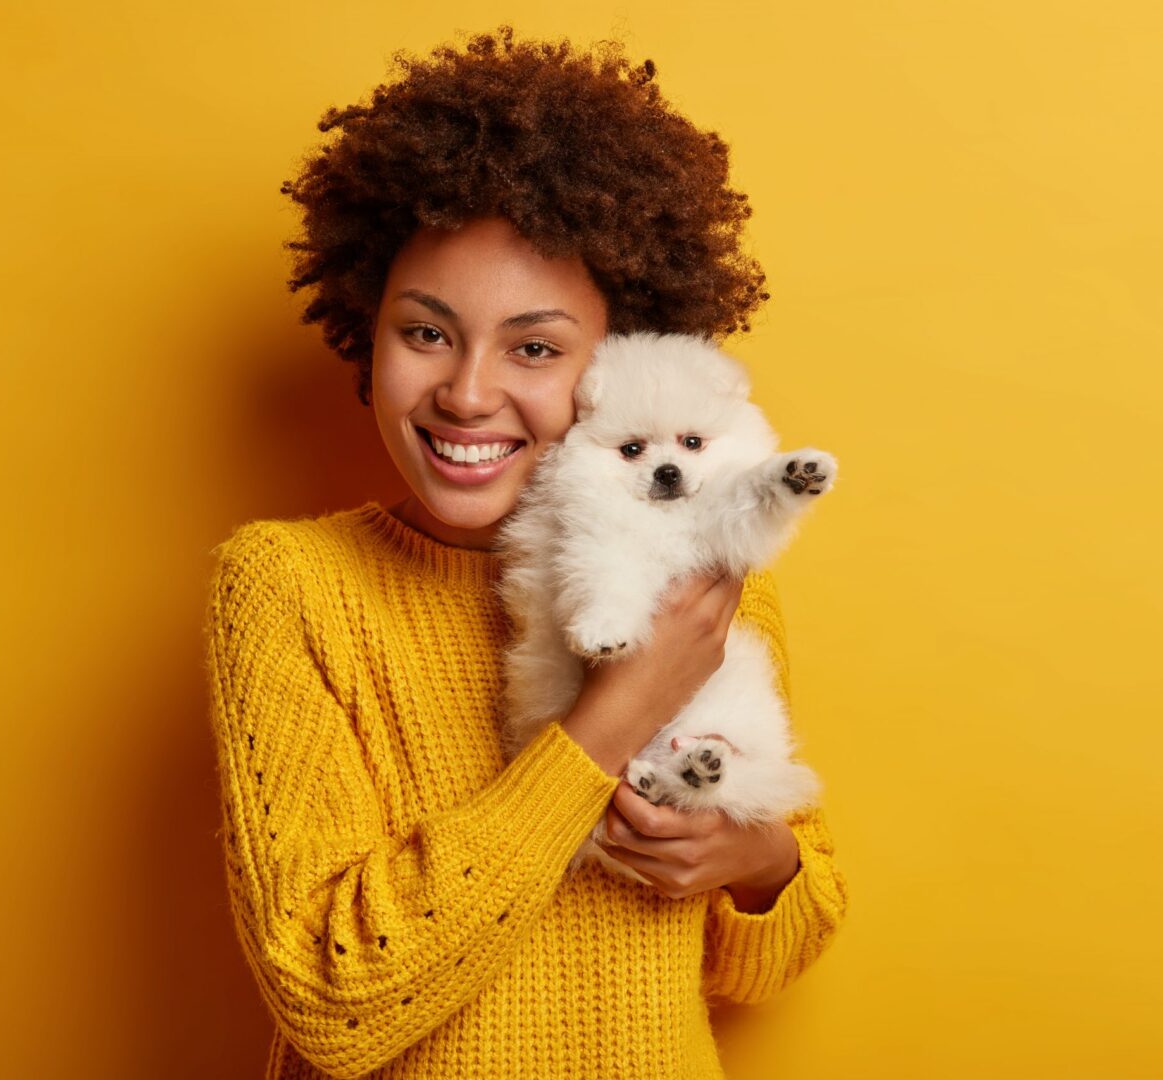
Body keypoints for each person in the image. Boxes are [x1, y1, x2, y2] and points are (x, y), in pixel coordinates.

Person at [206, 27, 848, 1079]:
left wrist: (755, 859)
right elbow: (331, 1000)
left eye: (536, 348)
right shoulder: (288, 586)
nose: (466, 392)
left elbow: (771, 960)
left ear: (622, 367)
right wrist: (618, 713)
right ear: (366, 331)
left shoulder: (712, 579)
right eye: (426, 333)